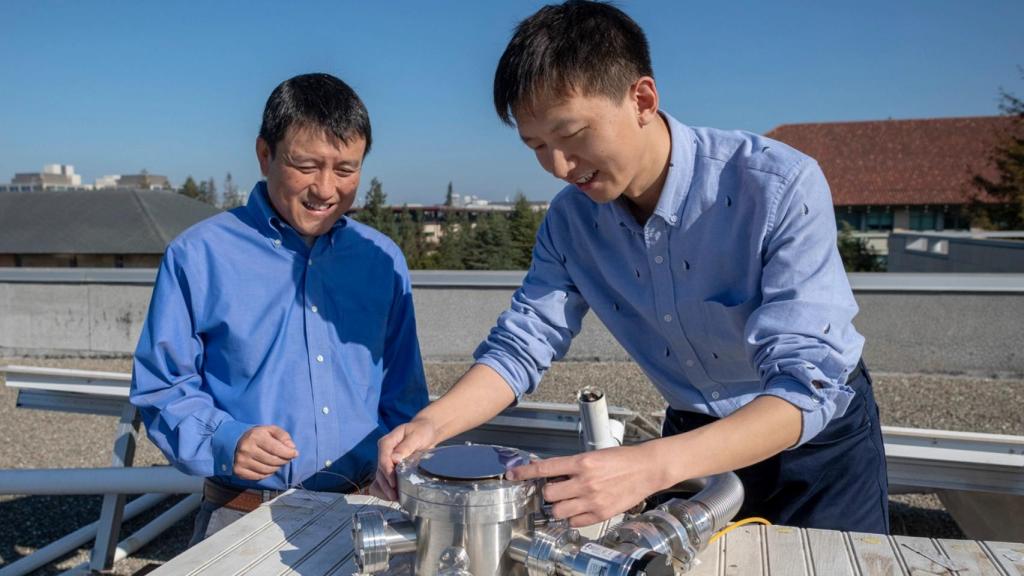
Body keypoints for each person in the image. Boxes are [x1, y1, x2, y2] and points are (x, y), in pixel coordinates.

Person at [373, 1, 888, 534]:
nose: (559, 167)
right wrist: (432, 424)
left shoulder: (776, 184)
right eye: (537, 146)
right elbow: (521, 345)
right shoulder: (571, 222)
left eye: (571, 135)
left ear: (641, 98)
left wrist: (649, 465)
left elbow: (808, 386)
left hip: (818, 444)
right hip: (692, 431)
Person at [131, 73, 429, 545]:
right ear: (264, 154)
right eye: (306, 165)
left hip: (368, 512)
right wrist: (225, 440)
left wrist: (401, 469)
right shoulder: (199, 255)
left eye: (346, 169)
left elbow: (403, 394)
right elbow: (162, 387)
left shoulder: (382, 261)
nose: (326, 189)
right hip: (240, 515)